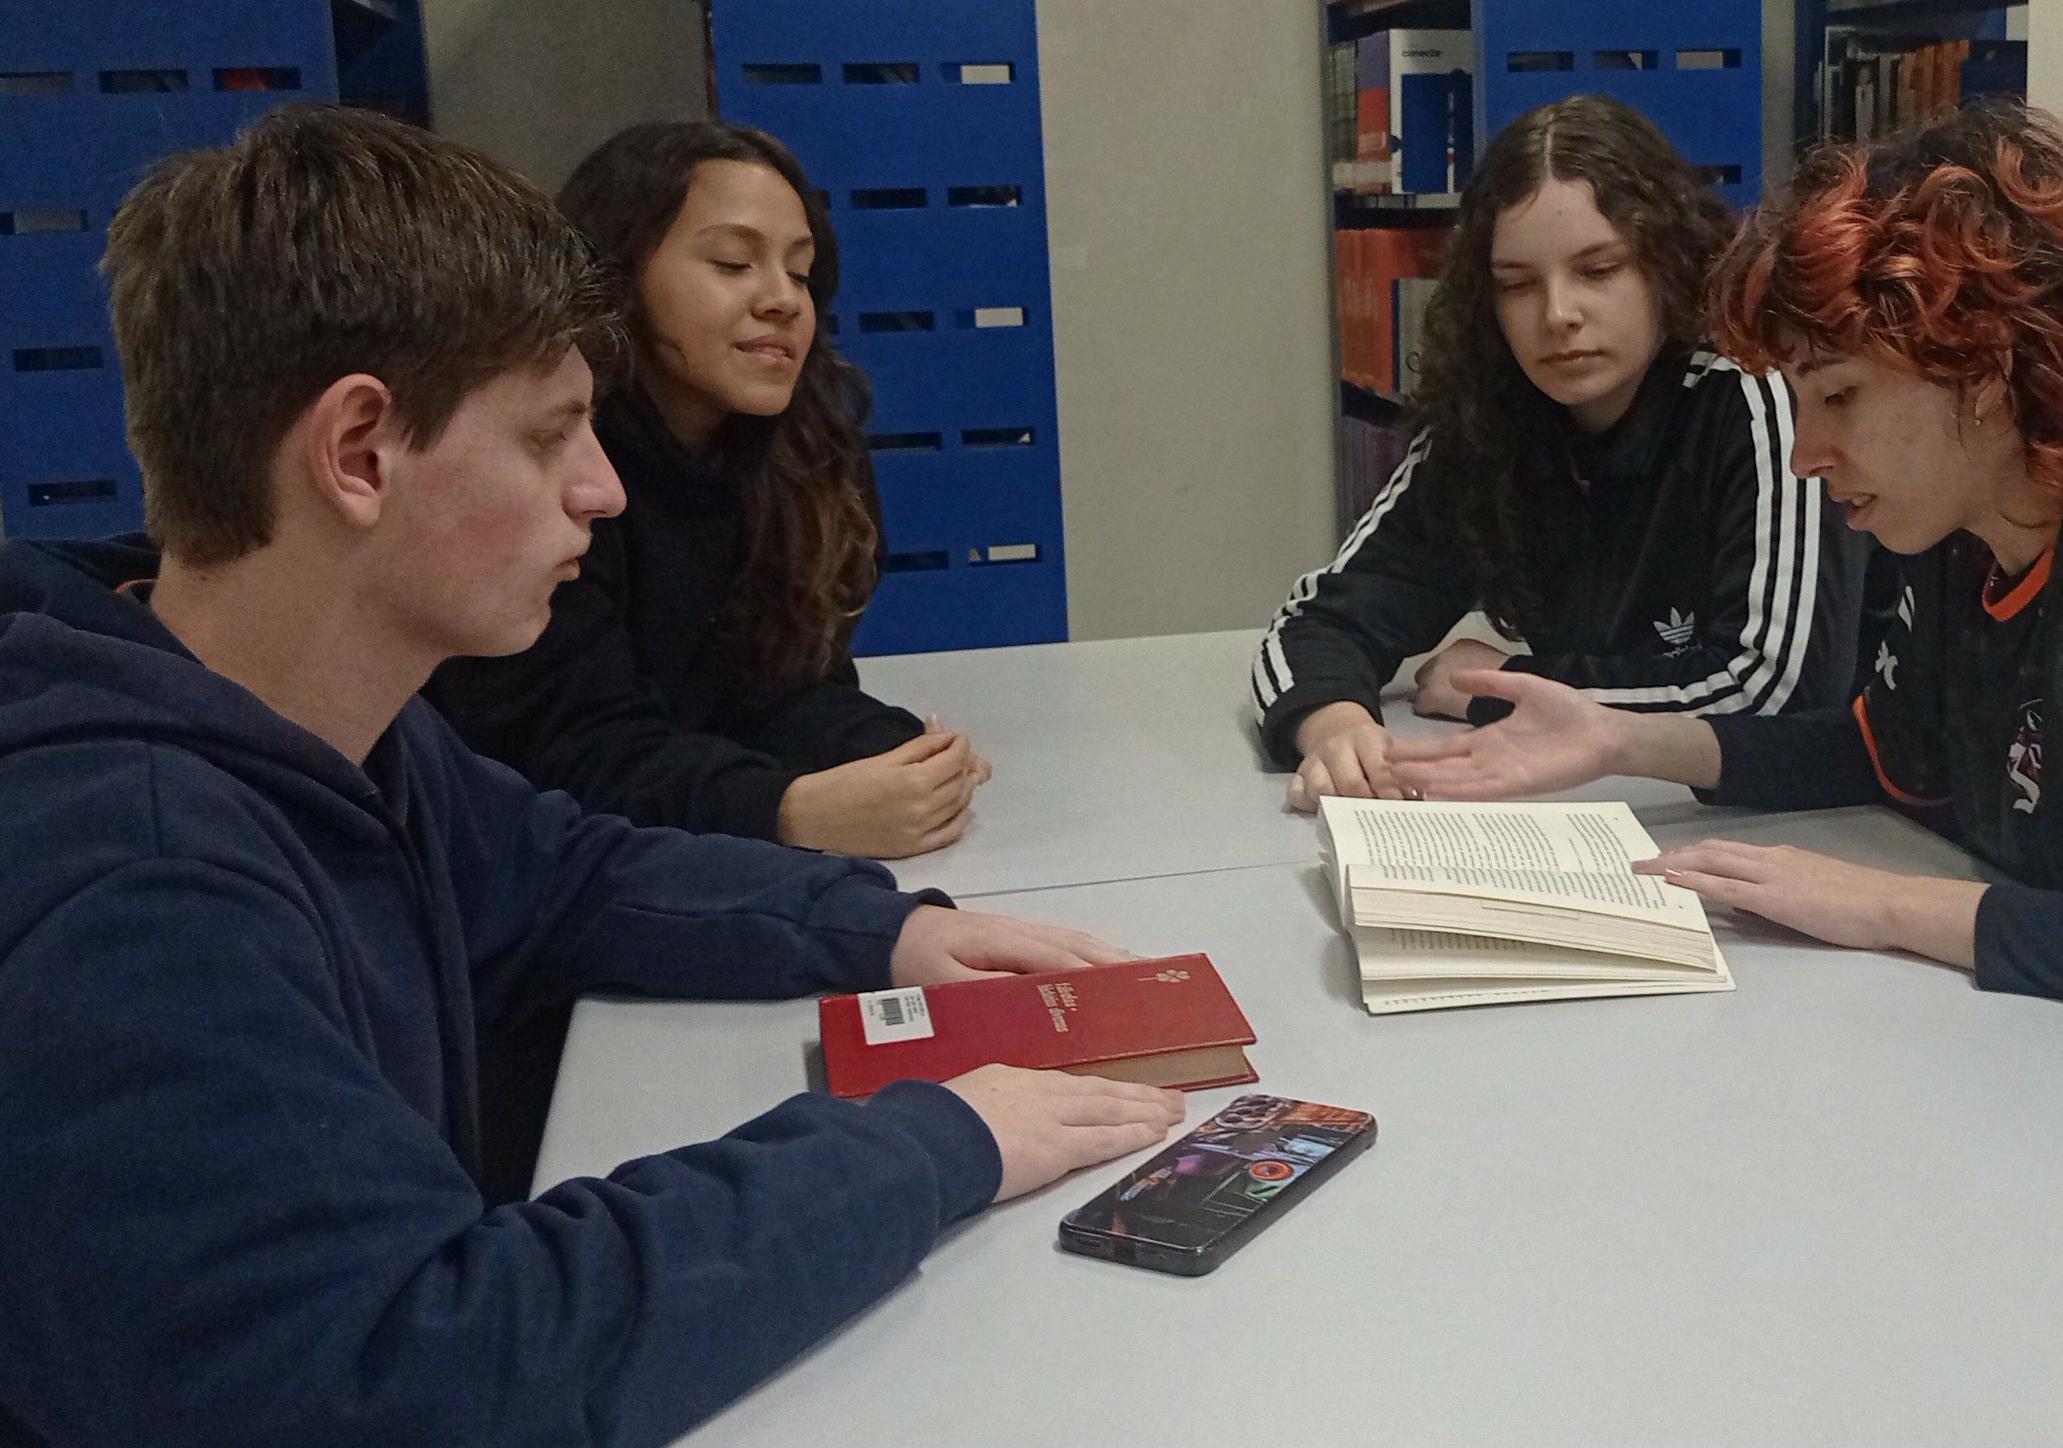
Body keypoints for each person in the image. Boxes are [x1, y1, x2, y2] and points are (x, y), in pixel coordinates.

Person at [0, 105, 1182, 1446]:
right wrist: (928, 1142)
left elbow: (561, 872)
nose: (603, 488)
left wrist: (881, 928)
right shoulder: (138, 890)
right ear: (359, 452)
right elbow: (418, 1376)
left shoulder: (318, 720)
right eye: (548, 434)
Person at [1385, 102, 2063, 1083]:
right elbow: (1885, 751)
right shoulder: (1956, 530)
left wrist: (1884, 907)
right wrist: (1620, 739)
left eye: (1839, 396)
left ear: (1982, 371)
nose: (1806, 454)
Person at [1254, 94, 1873, 811]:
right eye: (1517, 285)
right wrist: (1336, 727)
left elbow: (1777, 693)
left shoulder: (1756, 396)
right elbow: (1321, 621)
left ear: (1669, 264)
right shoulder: (1492, 413)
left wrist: (1516, 686)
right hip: (1589, 806)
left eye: (1599, 270)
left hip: (1809, 821)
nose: (1558, 315)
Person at [427, 120, 985, 861]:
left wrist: (897, 753)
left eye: (801, 273)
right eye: (733, 263)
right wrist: (785, 811)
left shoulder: (805, 448)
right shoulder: (551, 466)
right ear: (616, 275)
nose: (782, 299)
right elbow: (561, 751)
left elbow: (778, 691)